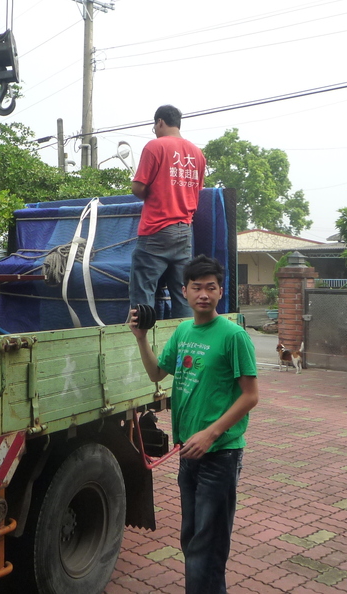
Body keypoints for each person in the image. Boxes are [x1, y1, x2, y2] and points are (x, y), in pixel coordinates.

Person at [129, 254, 258, 594]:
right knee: (192, 538)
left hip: (219, 453)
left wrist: (211, 432)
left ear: (220, 292)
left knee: (208, 543)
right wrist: (141, 338)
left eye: (211, 288)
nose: (204, 294)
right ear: (184, 291)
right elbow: (157, 373)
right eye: (197, 287)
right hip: (188, 451)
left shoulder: (233, 336)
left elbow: (250, 395)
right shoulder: (184, 330)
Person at [129, 104, 206, 318]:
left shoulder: (155, 147)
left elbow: (139, 187)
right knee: (182, 293)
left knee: (143, 289)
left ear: (160, 122)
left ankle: (144, 344)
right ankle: (185, 343)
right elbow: (195, 190)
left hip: (156, 229)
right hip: (184, 230)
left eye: (155, 126)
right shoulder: (197, 154)